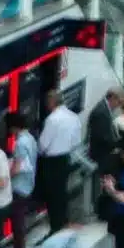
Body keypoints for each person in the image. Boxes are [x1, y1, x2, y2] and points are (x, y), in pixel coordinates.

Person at [37, 89, 81, 233]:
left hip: (51, 162)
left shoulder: (52, 119)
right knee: (61, 192)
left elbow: (43, 144)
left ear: (52, 102)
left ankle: (55, 227)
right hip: (65, 159)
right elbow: (76, 141)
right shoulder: (73, 117)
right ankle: (63, 222)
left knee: (52, 196)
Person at [8, 111, 39, 248]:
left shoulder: (20, 143)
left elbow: (16, 167)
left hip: (19, 187)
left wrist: (4, 175)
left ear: (14, 127)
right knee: (19, 221)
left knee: (17, 223)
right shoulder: (31, 138)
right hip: (28, 184)